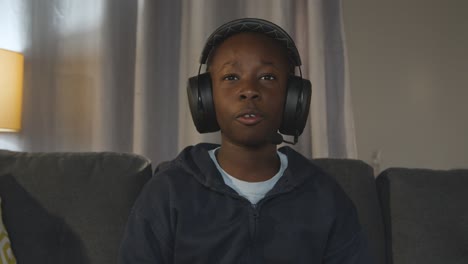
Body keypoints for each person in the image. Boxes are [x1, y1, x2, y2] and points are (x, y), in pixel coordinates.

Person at [119, 18, 372, 264]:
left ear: (294, 99)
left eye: (267, 77)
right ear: (205, 98)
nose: (249, 90)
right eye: (231, 77)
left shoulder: (325, 198)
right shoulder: (168, 192)